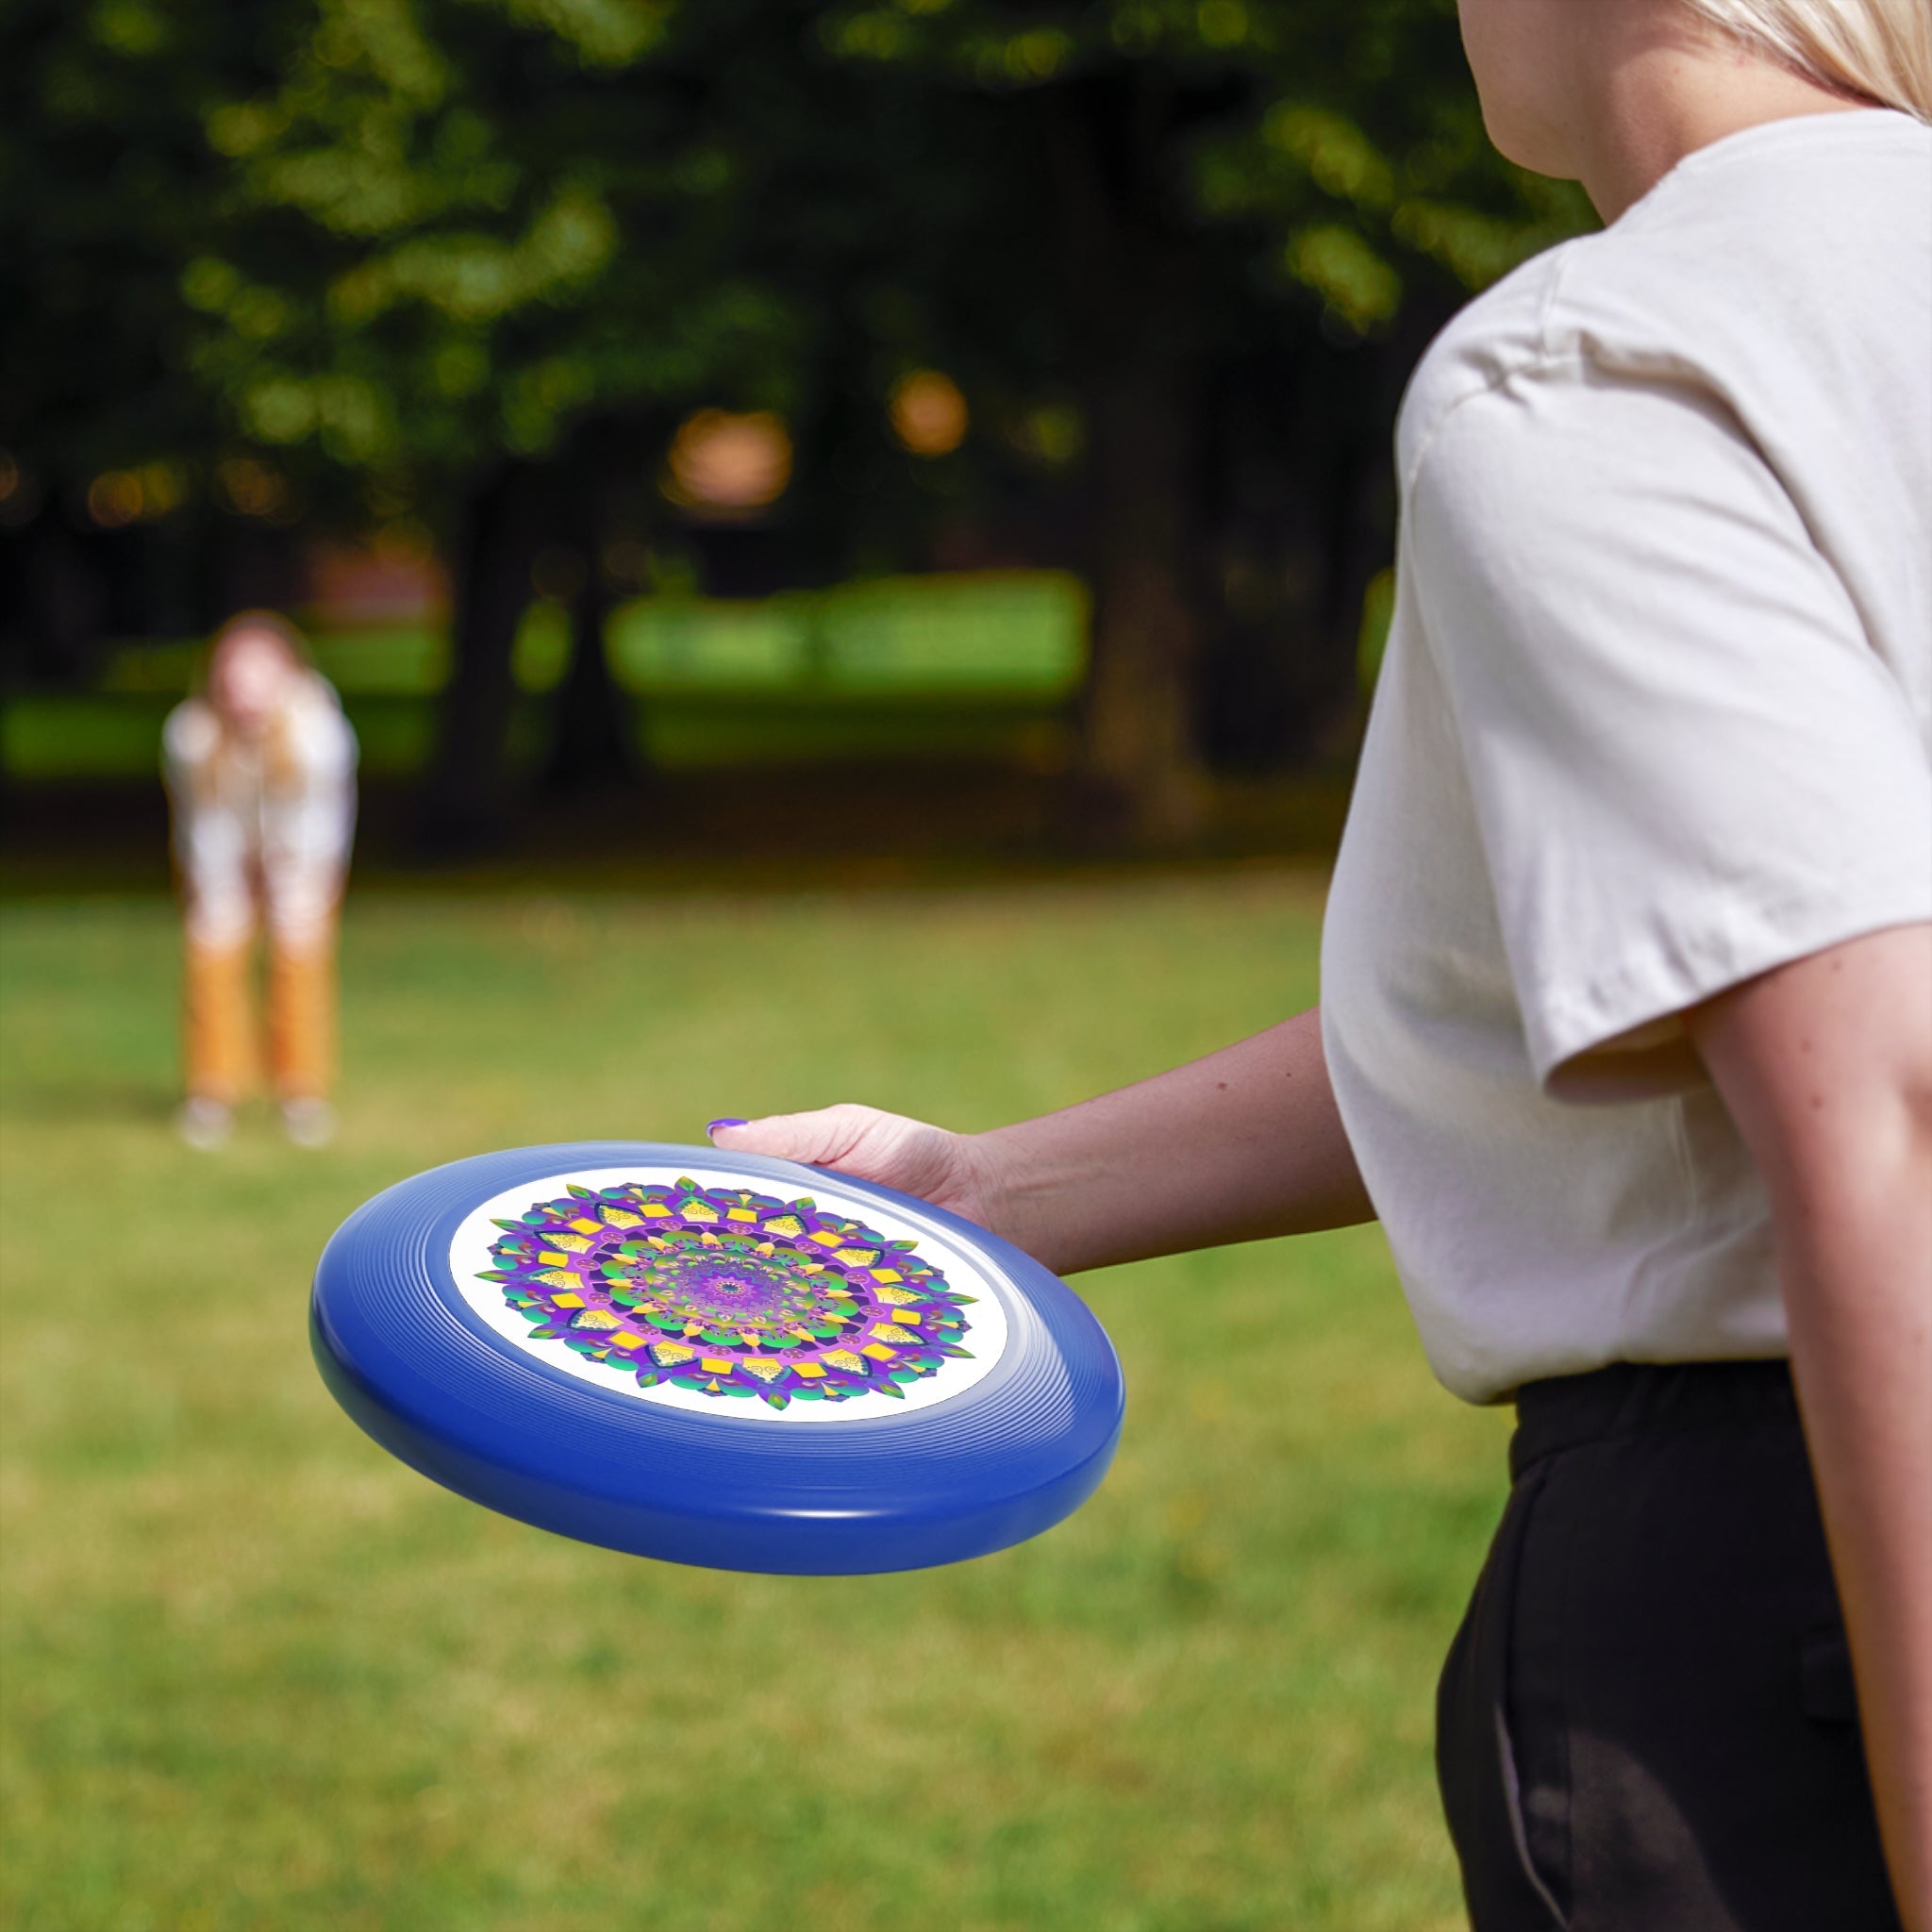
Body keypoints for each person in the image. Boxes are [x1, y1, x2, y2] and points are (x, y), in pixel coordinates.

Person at [708, 2, 1932, 1925]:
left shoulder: (1610, 360)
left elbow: (1883, 1098)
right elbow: (1654, 984)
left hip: (1796, 1589)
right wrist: (991, 1191)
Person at [162, 611, 358, 1151]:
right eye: (234, 675)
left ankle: (301, 1092)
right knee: (212, 952)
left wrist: (288, 881)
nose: (244, 690)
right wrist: (224, 887)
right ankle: (212, 1091)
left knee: (299, 958)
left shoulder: (319, 733)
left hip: (302, 858)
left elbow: (317, 824)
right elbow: (204, 823)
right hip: (221, 856)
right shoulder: (191, 735)